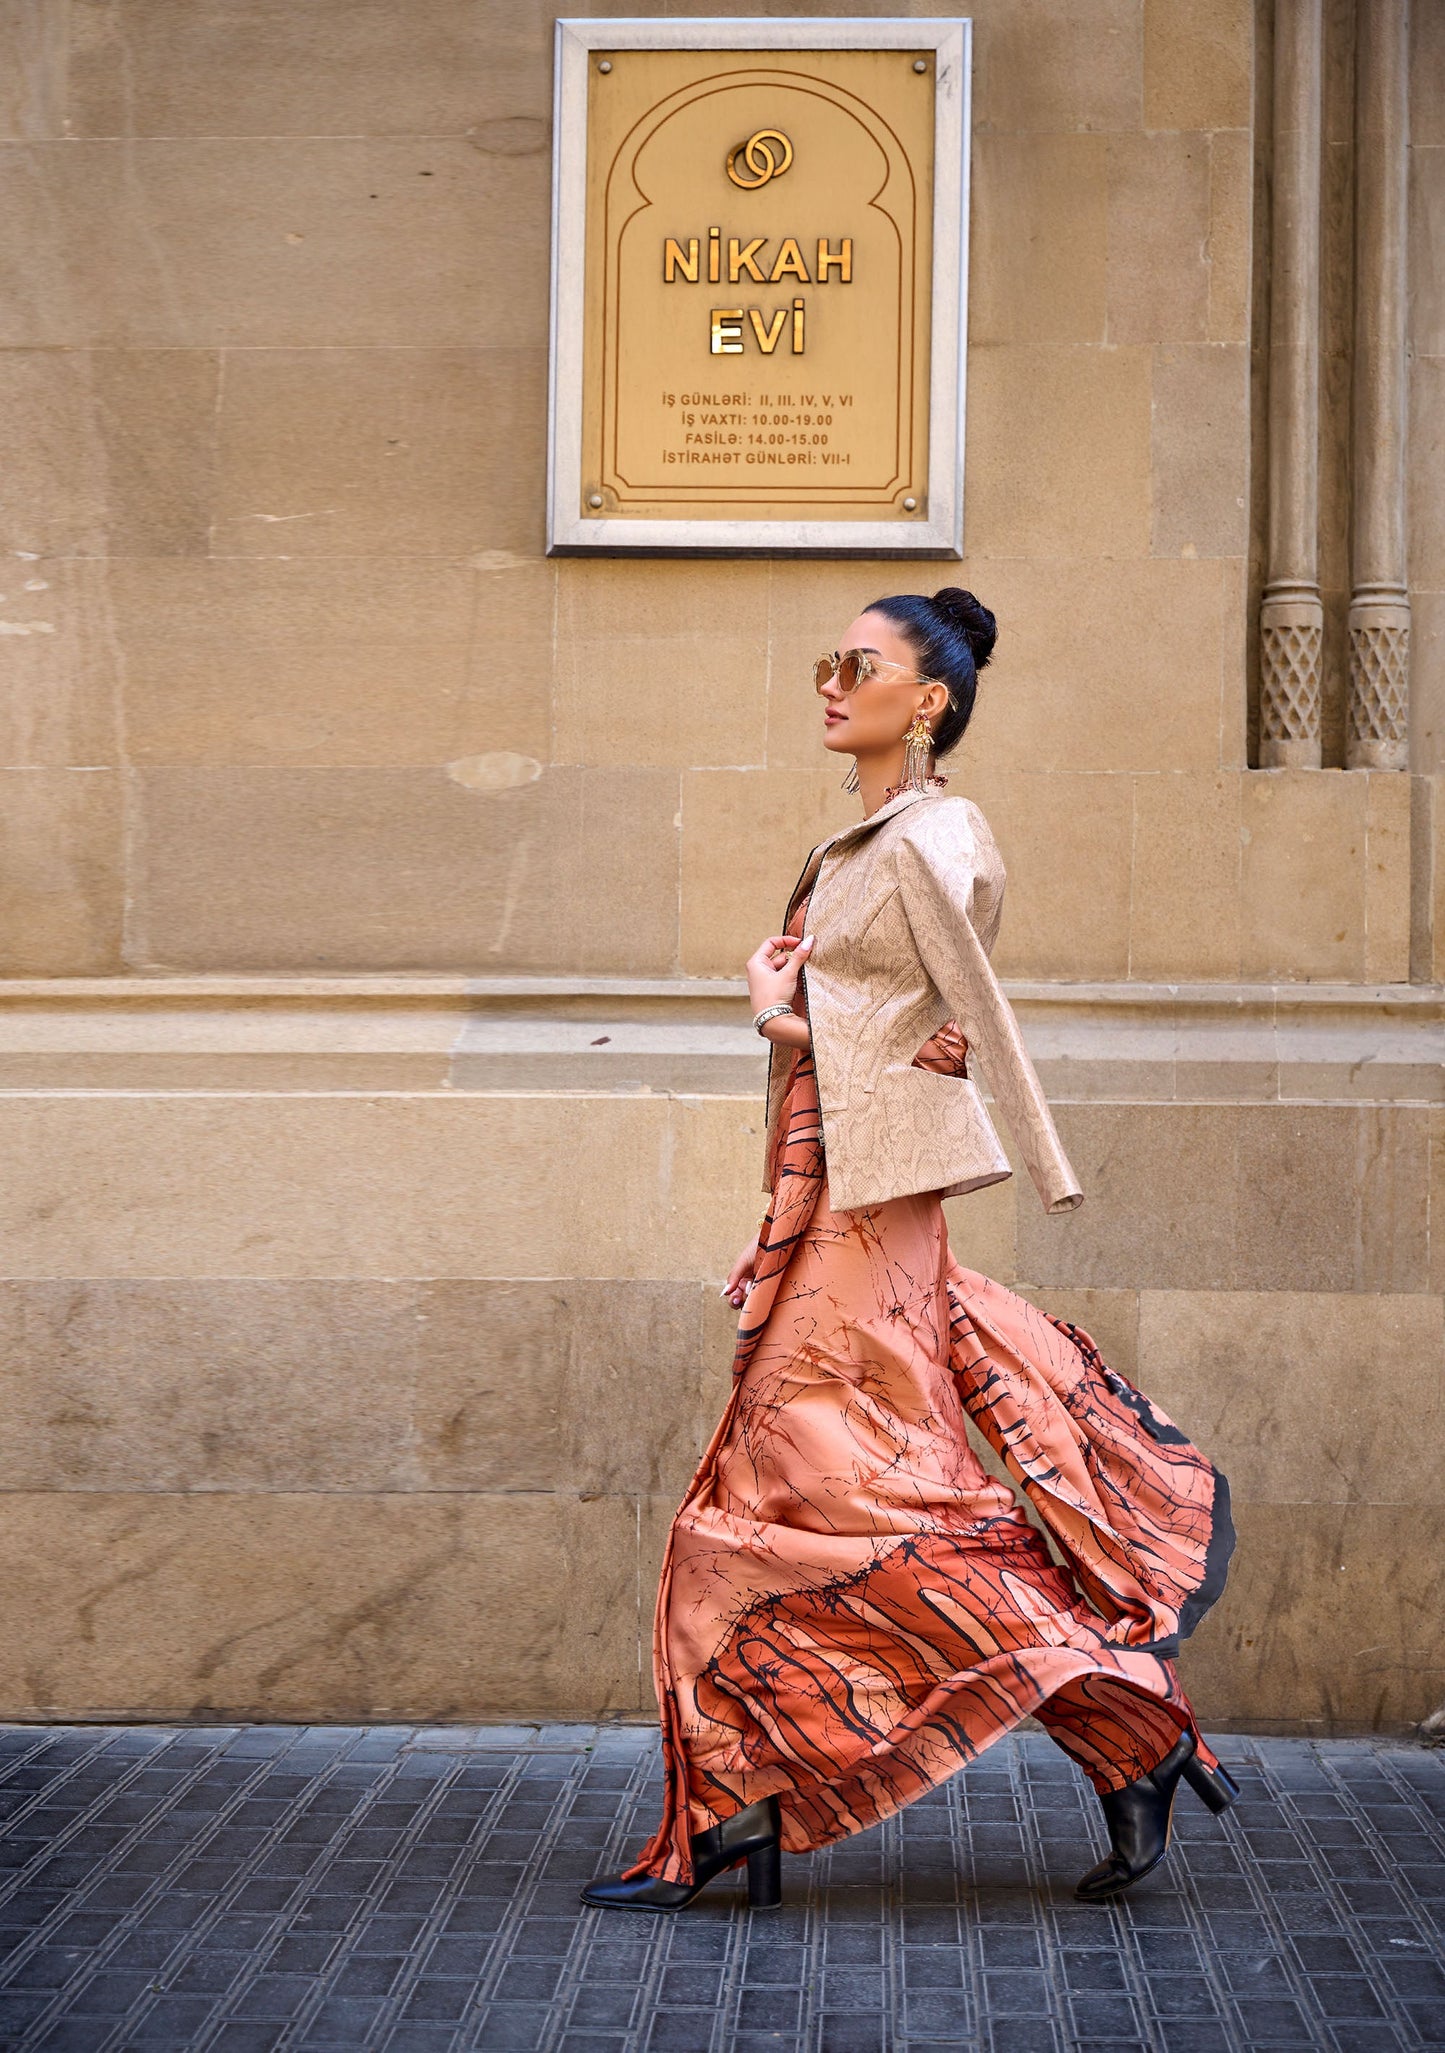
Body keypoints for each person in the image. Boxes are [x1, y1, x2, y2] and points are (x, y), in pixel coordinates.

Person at [581, 588, 1237, 1915]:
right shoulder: (866, 837)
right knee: (749, 1523)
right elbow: (901, 1015)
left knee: (840, 1512)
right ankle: (741, 1806)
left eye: (858, 665)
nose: (830, 682)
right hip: (839, 1193)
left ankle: (1121, 1716)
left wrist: (780, 1012)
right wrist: (816, 1024)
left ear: (925, 699)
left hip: (874, 1205)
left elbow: (940, 1019)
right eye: (829, 662)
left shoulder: (937, 834)